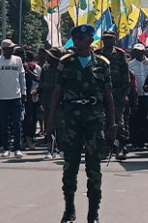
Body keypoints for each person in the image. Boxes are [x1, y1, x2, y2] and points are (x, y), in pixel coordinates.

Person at [48, 24, 115, 223]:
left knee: (94, 168)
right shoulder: (65, 62)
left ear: (90, 40)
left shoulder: (102, 63)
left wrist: (113, 124)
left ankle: (93, 213)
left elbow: (108, 95)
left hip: (95, 120)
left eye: (80, 38)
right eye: (74, 38)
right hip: (71, 120)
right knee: (70, 167)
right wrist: (50, 122)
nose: (76, 42)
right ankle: (69, 209)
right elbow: (57, 93)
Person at [97, 31, 131, 160]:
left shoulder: (120, 54)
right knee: (103, 121)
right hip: (101, 92)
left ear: (114, 40)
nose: (107, 41)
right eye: (105, 39)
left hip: (117, 92)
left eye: (110, 39)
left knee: (118, 121)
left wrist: (125, 93)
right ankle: (106, 147)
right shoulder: (97, 54)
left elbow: (125, 75)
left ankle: (121, 147)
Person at [0, 38, 25, 158]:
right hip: (2, 97)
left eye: (12, 48)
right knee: (4, 124)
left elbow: (21, 76)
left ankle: (17, 148)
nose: (12, 50)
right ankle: (6, 148)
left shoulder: (18, 60)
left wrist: (23, 91)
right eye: (9, 48)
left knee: (17, 123)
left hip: (16, 96)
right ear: (4, 49)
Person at [128, 44, 148, 151]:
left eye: (140, 51)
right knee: (136, 118)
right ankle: (137, 141)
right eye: (136, 51)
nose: (138, 53)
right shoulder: (130, 64)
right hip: (136, 94)